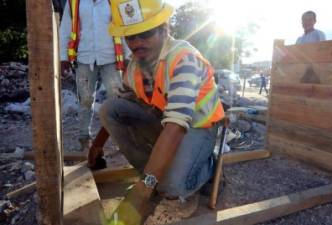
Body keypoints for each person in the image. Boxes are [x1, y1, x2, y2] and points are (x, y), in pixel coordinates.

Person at [99, 0, 225, 224]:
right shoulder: (135, 66)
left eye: (145, 34)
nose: (137, 43)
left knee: (170, 186)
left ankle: (206, 168)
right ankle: (153, 175)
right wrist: (96, 147)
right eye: (130, 37)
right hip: (164, 121)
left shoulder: (183, 59)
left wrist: (140, 194)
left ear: (164, 30)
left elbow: (176, 127)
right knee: (110, 109)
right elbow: (120, 102)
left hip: (198, 127)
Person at [59, 0, 131, 150]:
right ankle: (84, 139)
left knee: (116, 99)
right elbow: (65, 29)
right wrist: (63, 58)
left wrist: (128, 55)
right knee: (85, 100)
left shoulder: (113, 2)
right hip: (84, 57)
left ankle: (121, 139)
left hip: (110, 57)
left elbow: (124, 28)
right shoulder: (74, 3)